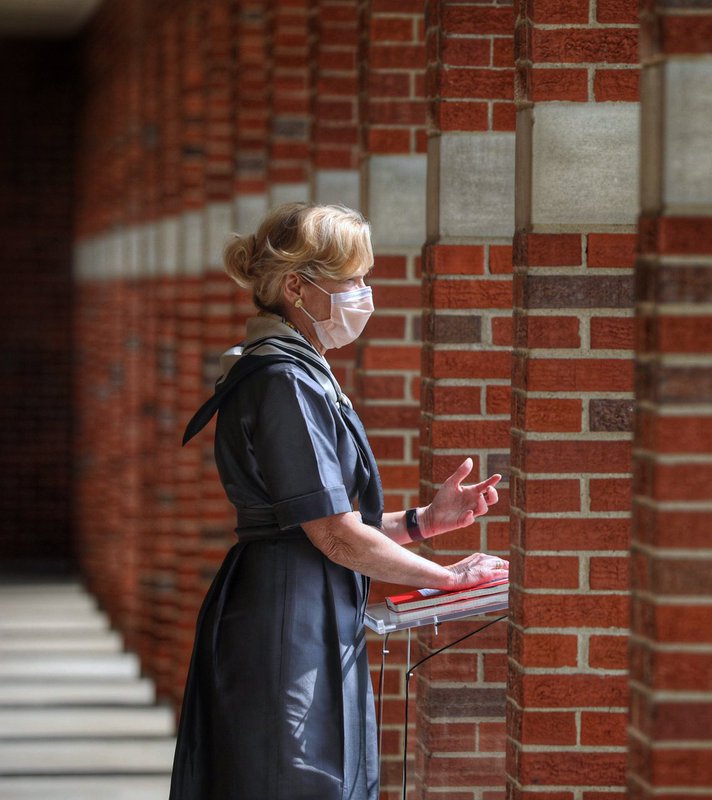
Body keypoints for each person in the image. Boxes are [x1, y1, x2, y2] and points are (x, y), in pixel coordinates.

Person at [169, 203, 508, 800]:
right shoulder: (285, 380)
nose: (363, 293)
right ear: (297, 285)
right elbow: (333, 533)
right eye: (352, 280)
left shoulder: (296, 369)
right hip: (288, 616)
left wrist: (426, 522)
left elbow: (325, 522)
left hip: (298, 600)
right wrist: (447, 577)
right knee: (297, 779)